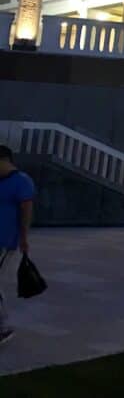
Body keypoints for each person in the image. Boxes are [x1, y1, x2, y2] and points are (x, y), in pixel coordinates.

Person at [0, 144, 35, 346]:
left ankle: (3, 327)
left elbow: (26, 212)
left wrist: (23, 239)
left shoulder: (21, 182)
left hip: (5, 241)